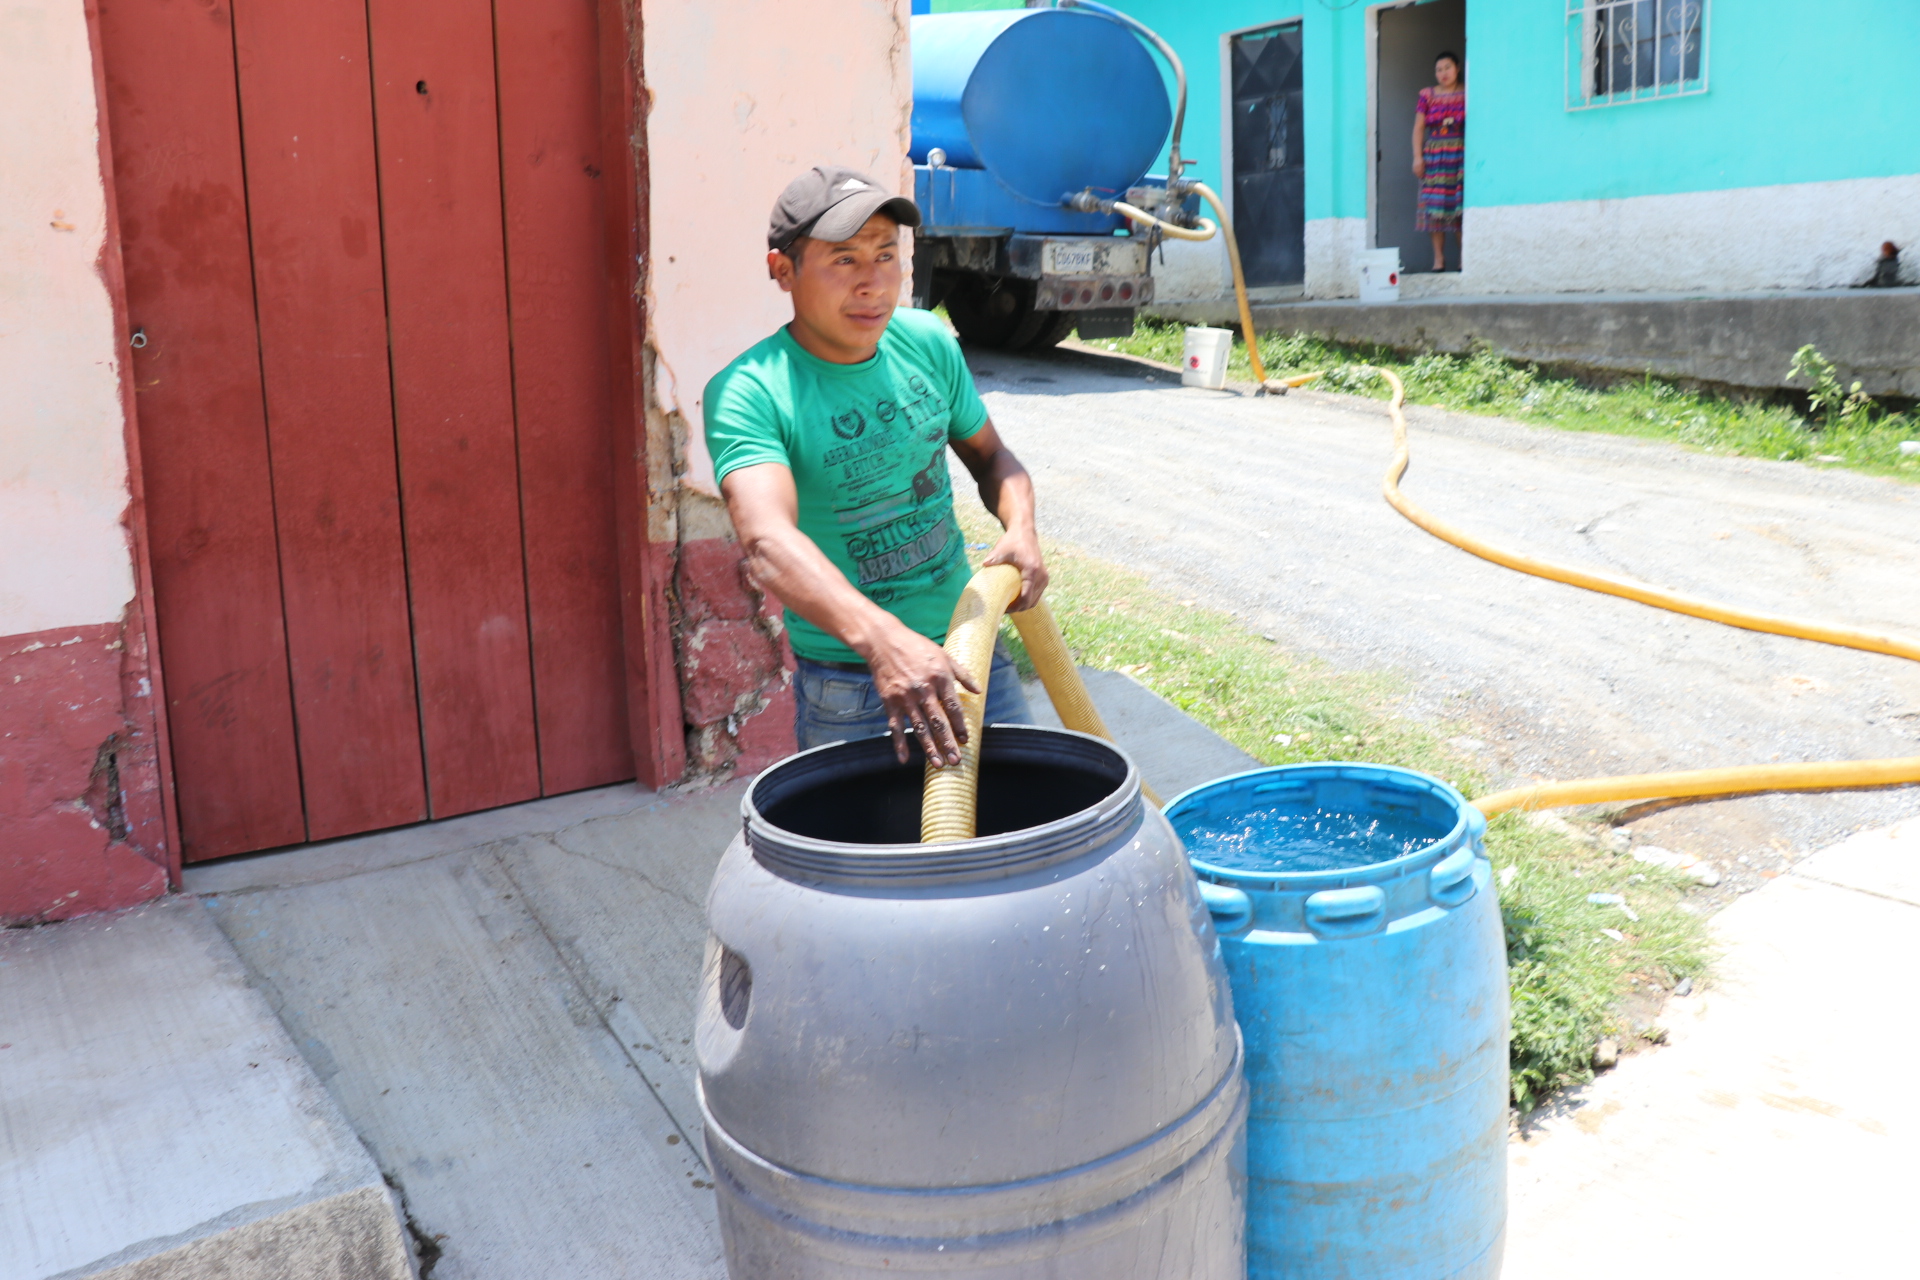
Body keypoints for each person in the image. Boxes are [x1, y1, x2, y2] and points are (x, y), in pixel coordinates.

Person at [704, 166, 1048, 768]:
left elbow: (992, 457)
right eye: (844, 260)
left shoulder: (928, 342)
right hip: (857, 685)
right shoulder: (750, 391)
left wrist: (1021, 529)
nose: (873, 283)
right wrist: (885, 642)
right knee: (877, 860)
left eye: (886, 255)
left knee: (1018, 837)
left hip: (972, 650)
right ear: (782, 270)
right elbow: (767, 541)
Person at [1412, 51, 1465, 272]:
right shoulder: (1427, 95)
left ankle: (1465, 258)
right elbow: (1419, 127)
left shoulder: (1467, 92)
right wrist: (1417, 157)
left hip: (1460, 155)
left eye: (1447, 67)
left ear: (1457, 68)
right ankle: (1438, 260)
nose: (1443, 73)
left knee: (1460, 208)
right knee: (1434, 209)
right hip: (1434, 156)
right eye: (1439, 69)